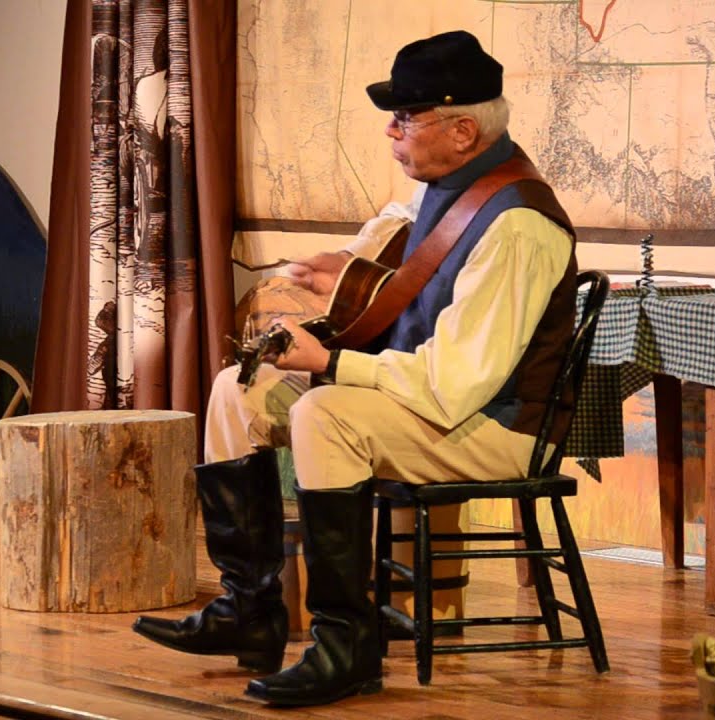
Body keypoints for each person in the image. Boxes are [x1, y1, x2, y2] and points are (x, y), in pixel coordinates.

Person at [133, 29, 578, 707]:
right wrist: (342, 273)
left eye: (406, 117)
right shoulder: (448, 189)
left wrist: (334, 363)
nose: (391, 132)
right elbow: (403, 259)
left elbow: (456, 386)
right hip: (436, 405)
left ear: (463, 130)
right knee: (237, 389)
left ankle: (346, 643)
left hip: (496, 428)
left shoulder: (517, 225)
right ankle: (249, 609)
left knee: (325, 412)